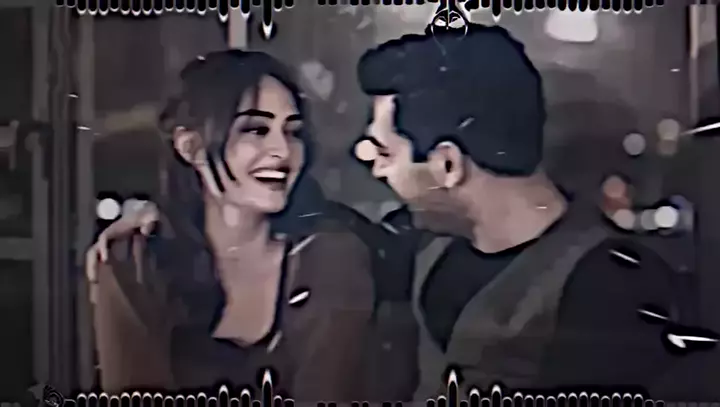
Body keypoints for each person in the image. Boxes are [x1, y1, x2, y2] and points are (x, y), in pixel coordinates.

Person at [354, 24, 679, 398]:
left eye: (386, 154)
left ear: (447, 165)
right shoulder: (426, 250)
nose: (378, 170)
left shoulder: (612, 288)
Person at [88, 50, 375, 401]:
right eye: (255, 129)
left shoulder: (331, 259)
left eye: (292, 132)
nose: (282, 151)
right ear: (190, 147)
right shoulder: (135, 261)